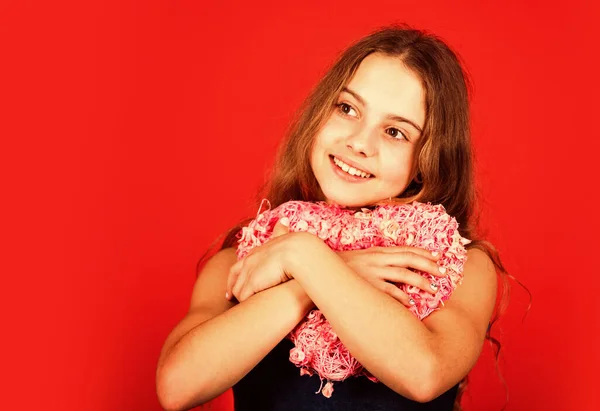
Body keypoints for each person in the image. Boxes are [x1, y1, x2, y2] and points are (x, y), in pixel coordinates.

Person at [156, 25, 507, 411]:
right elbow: (177, 388)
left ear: (427, 161)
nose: (359, 142)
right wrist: (307, 280)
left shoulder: (455, 266)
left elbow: (425, 373)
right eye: (347, 109)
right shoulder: (249, 255)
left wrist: (306, 258)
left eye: (394, 132)